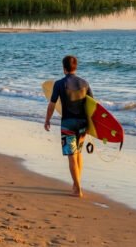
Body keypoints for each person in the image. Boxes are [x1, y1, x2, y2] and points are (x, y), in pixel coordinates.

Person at [44, 55, 93, 198]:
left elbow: (52, 104)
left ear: (64, 68)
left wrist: (47, 120)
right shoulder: (85, 83)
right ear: (75, 67)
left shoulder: (59, 84)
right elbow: (92, 106)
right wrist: (91, 126)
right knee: (78, 153)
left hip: (68, 123)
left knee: (71, 155)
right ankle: (76, 183)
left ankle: (78, 189)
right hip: (82, 123)